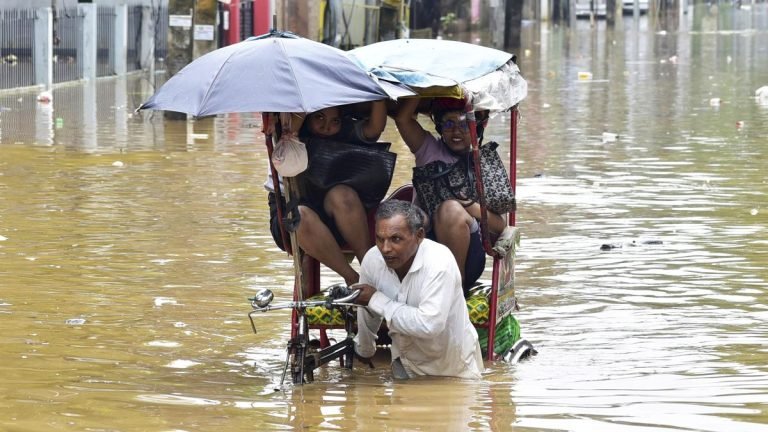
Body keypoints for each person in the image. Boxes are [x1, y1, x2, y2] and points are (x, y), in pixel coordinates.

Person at [353, 199, 484, 379]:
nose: (385, 248)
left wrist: (376, 299)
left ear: (419, 235)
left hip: (453, 369)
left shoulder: (439, 262)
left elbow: (429, 325)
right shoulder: (372, 259)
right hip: (405, 364)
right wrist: (365, 349)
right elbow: (367, 312)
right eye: (379, 239)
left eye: (395, 239)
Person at [393, 96, 508, 297]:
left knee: (450, 209)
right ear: (439, 127)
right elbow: (403, 119)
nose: (456, 131)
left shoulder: (485, 165)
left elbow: (501, 227)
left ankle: (454, 289)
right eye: (449, 124)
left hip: (467, 260)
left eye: (464, 124)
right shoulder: (428, 149)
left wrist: (470, 207)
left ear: (476, 127)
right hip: (422, 252)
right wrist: (423, 86)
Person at [265, 100, 387, 286]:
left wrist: (378, 94)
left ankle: (371, 272)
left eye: (334, 121)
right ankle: (351, 278)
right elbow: (295, 121)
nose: (326, 126)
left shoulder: (344, 132)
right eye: (319, 117)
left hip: (336, 217)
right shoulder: (288, 137)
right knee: (300, 215)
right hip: (289, 222)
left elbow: (374, 129)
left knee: (342, 195)